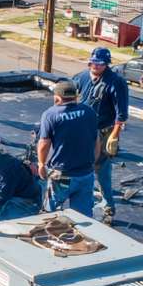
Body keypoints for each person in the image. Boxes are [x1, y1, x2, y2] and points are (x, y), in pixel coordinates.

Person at [73, 47, 130, 225]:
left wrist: (114, 135)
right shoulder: (81, 77)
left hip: (104, 131)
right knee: (81, 166)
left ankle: (108, 206)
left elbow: (121, 114)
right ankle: (85, 199)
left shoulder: (116, 83)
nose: (95, 66)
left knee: (101, 169)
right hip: (83, 129)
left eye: (100, 63)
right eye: (93, 62)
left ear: (106, 64)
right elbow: (72, 99)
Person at [36, 80, 98, 217]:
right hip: (85, 174)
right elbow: (96, 140)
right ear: (76, 96)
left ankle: (49, 235)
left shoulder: (51, 114)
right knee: (83, 216)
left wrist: (41, 164)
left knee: (49, 213)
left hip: (62, 175)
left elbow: (44, 143)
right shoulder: (89, 112)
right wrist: (93, 162)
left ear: (57, 97)